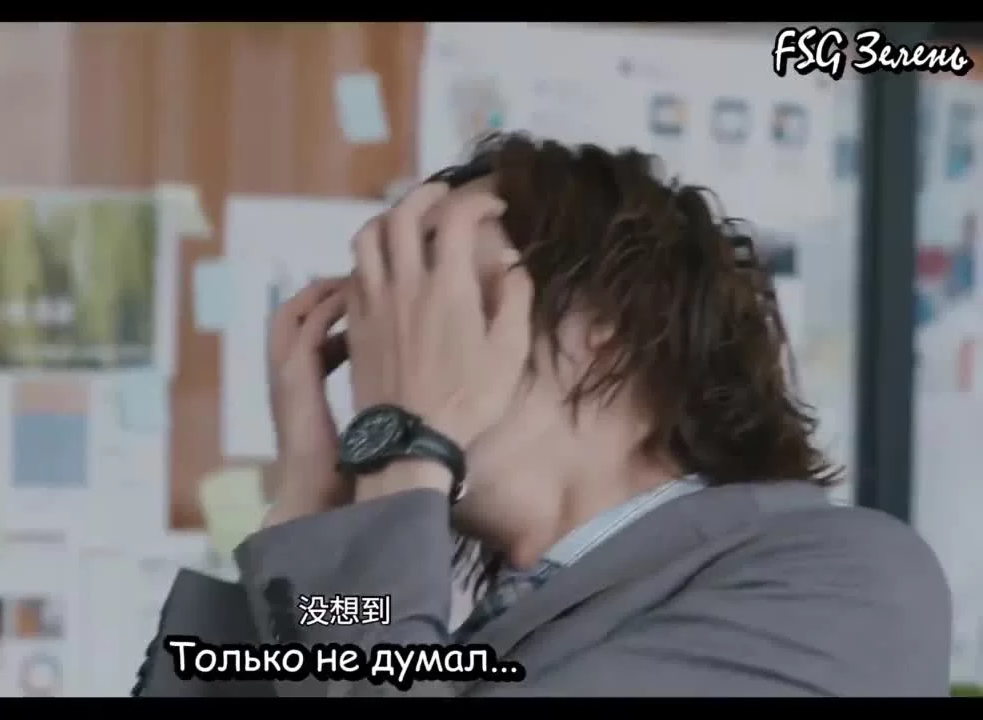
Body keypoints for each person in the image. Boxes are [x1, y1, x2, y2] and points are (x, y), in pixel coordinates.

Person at [134, 133, 951, 697]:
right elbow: (335, 631)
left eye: (447, 298)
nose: (398, 349)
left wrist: (403, 444)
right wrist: (308, 515)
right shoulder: (460, 622)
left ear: (608, 329)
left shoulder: (845, 583)